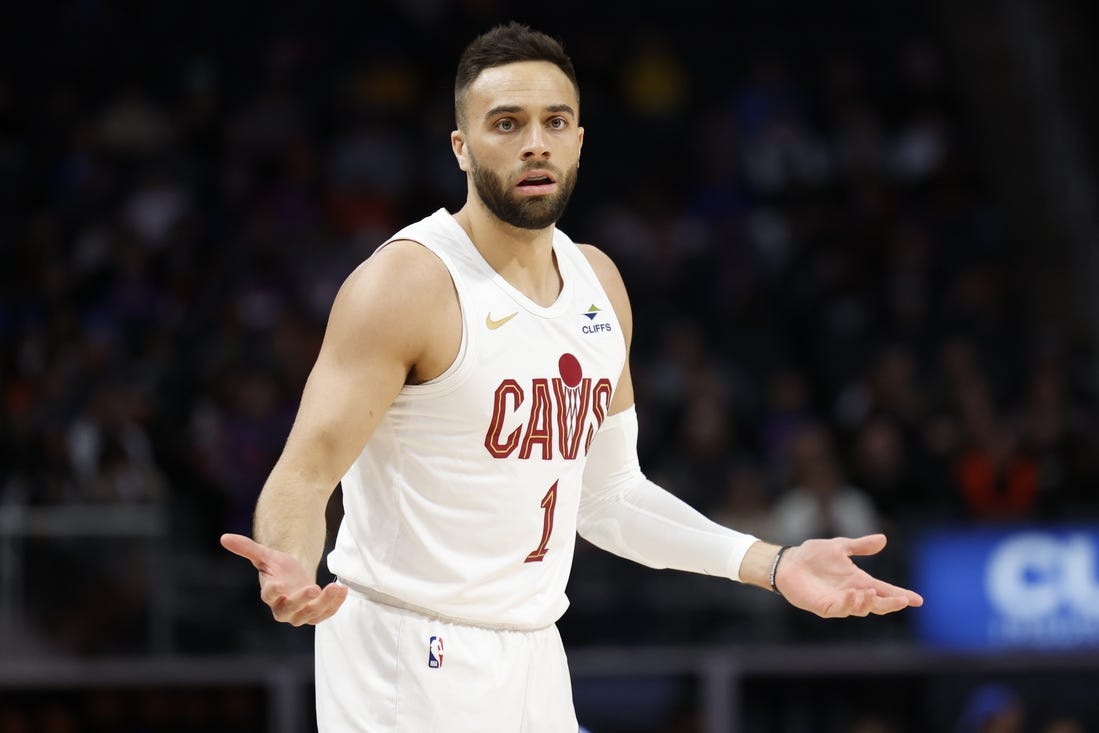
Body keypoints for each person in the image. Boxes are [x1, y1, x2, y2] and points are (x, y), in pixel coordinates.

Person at [220, 21, 923, 732]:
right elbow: (304, 474)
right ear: (461, 148)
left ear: (579, 141)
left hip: (533, 654)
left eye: (554, 121)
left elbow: (611, 497)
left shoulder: (599, 283)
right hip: (405, 655)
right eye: (506, 123)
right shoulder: (405, 283)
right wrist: (286, 561)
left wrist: (773, 564)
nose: (535, 143)